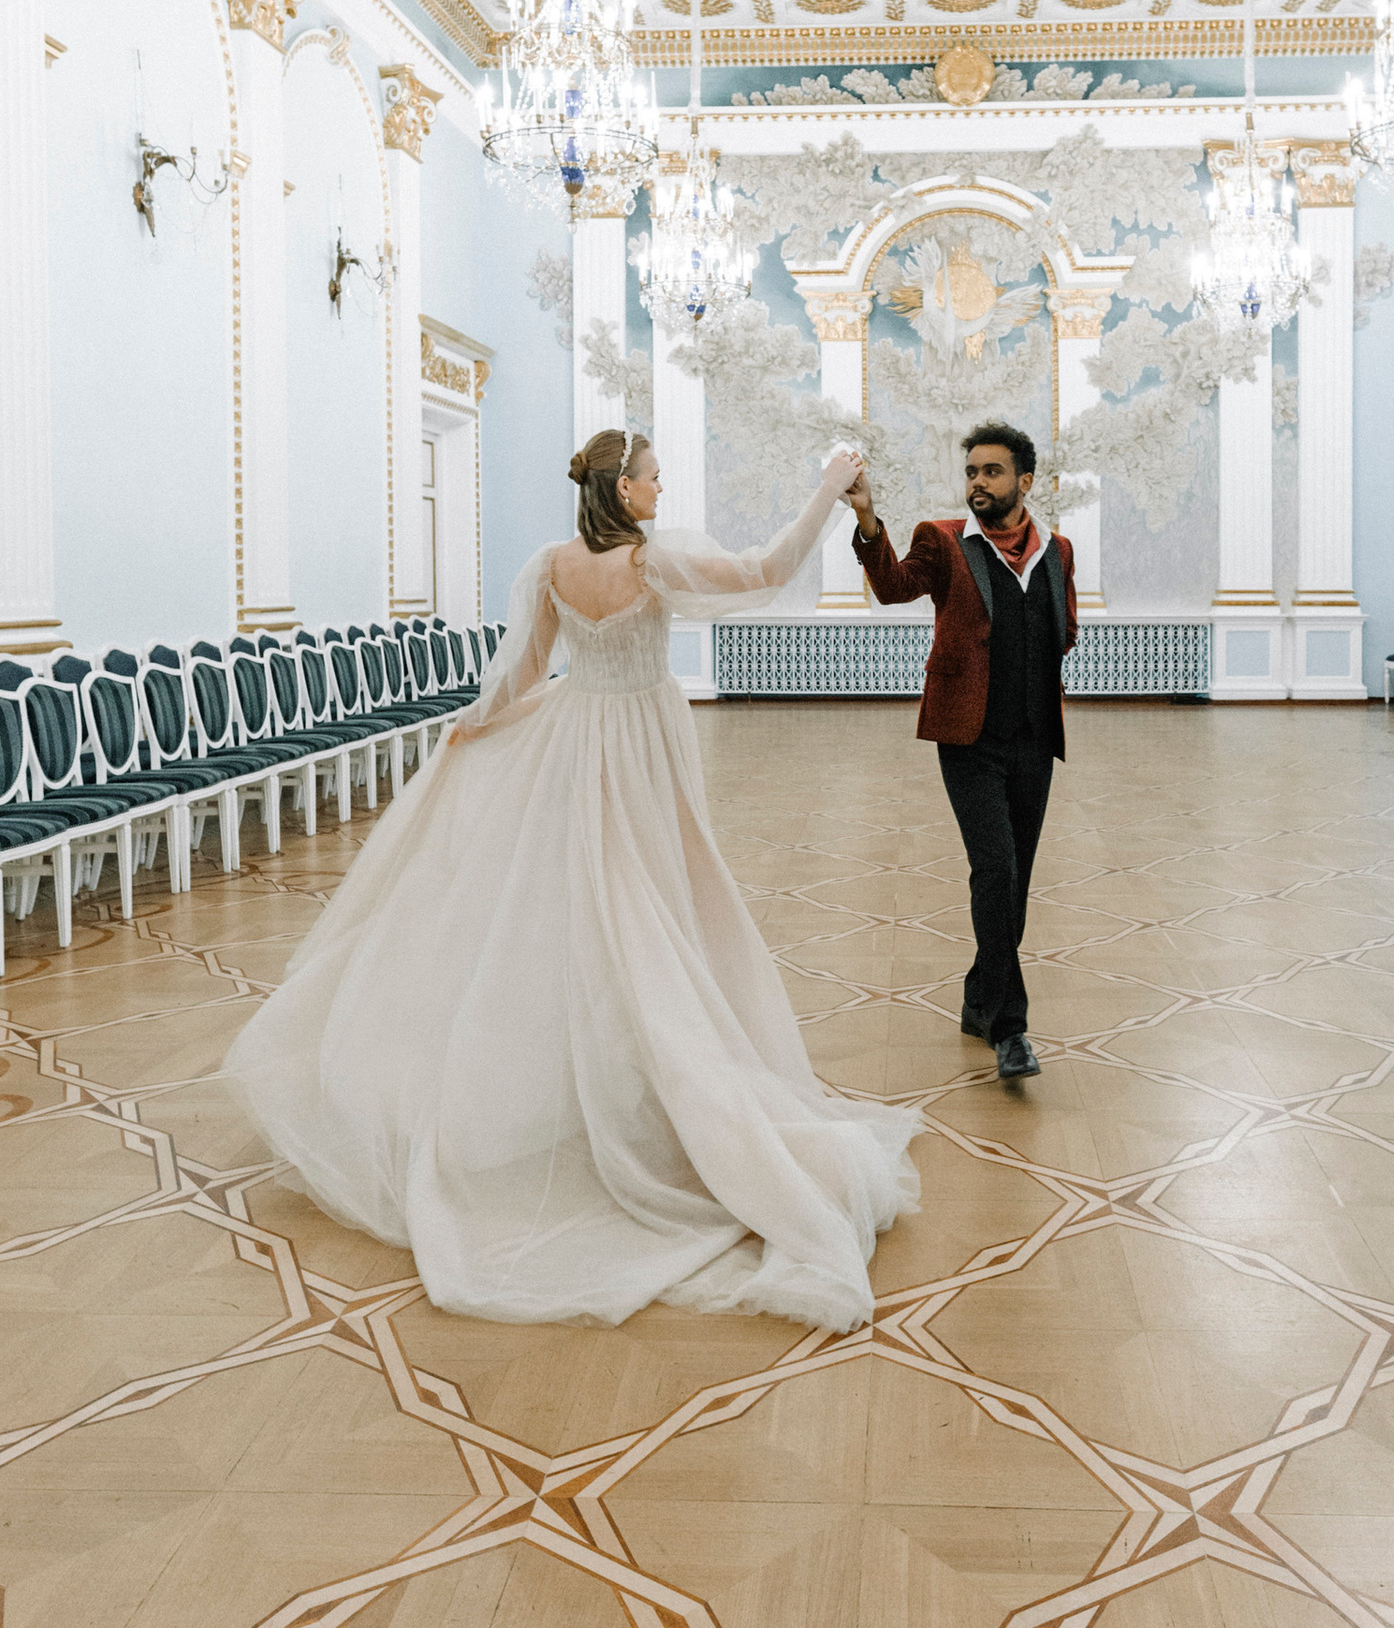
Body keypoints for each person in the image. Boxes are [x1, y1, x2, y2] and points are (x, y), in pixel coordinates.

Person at [224, 431, 922, 1330]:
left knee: (593, 911)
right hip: (640, 746)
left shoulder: (552, 564)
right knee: (650, 909)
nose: (662, 487)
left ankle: (610, 1086)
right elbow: (766, 568)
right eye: (654, 477)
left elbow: (520, 672)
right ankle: (655, 1090)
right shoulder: (654, 561)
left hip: (576, 740)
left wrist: (471, 726)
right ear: (624, 490)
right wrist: (829, 488)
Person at [847, 421, 1075, 1083]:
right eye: (972, 471)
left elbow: (1066, 628)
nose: (978, 482)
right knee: (994, 870)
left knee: (1016, 889)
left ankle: (980, 1000)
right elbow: (891, 586)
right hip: (968, 737)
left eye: (992, 472)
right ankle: (1010, 1030)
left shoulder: (1056, 551)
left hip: (1034, 740)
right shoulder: (943, 541)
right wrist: (866, 517)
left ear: (1024, 483)